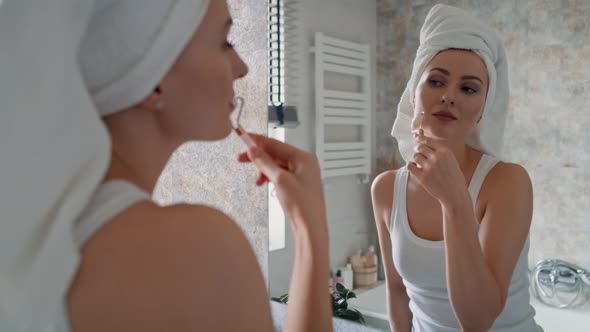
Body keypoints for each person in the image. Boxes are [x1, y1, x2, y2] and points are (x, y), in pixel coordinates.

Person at [24, 0, 332, 331]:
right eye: (224, 42)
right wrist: (309, 226)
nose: (242, 68)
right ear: (152, 76)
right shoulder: (197, 251)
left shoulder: (40, 220)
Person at [371, 5, 542, 332]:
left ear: (483, 109)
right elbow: (397, 294)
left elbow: (478, 320)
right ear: (414, 92)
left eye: (468, 88)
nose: (449, 97)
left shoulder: (507, 182)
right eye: (436, 81)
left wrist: (454, 202)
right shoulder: (385, 189)